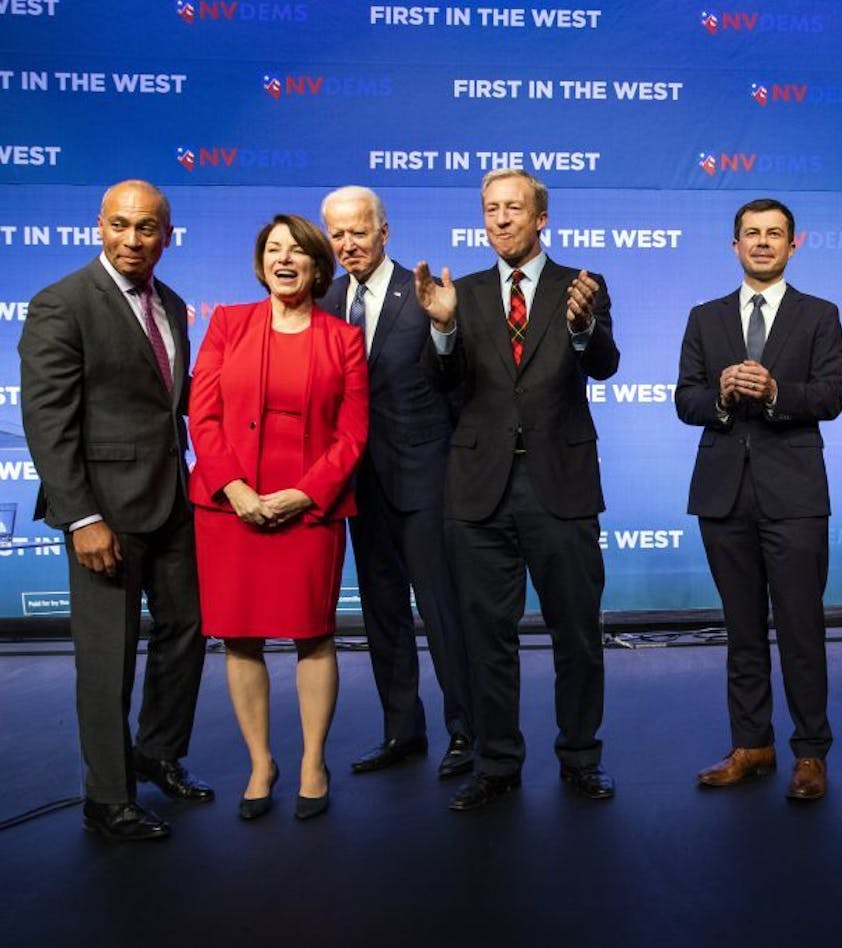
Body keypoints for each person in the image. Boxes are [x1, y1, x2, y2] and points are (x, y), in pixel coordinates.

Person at [414, 169, 619, 809]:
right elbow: (442, 382)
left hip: (560, 483)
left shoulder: (580, 287)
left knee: (577, 632)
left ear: (540, 218)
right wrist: (443, 330)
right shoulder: (462, 294)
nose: (501, 219)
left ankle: (581, 758)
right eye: (490, 210)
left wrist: (583, 329)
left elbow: (605, 364)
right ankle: (496, 761)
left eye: (514, 209)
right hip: (479, 490)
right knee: (485, 636)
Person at [19, 180, 212, 841]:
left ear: (167, 233)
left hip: (170, 500)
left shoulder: (174, 304)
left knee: (187, 632)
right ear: (99, 226)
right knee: (109, 657)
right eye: (122, 225)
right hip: (103, 511)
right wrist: (80, 518)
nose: (134, 239)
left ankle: (157, 754)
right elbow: (48, 421)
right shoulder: (62, 304)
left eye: (148, 227)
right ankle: (108, 797)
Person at [188, 214, 368, 820]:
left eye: (296, 251)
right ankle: (261, 761)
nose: (283, 259)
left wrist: (306, 494)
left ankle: (313, 761)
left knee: (312, 635)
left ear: (319, 267)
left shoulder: (343, 338)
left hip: (308, 513)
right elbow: (202, 415)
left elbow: (352, 433)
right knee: (240, 637)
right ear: (260, 261)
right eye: (273, 249)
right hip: (229, 509)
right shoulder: (228, 324)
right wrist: (234, 487)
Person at [675, 198, 842, 801]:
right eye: (752, 234)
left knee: (802, 629)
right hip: (723, 494)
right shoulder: (705, 317)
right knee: (742, 630)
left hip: (795, 494)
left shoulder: (820, 314)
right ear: (735, 246)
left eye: (775, 234)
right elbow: (684, 400)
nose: (763, 242)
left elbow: (829, 396)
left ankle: (810, 753)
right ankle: (752, 744)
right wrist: (721, 394)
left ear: (794, 245)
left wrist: (776, 392)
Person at [318, 186, 474, 780]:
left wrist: (446, 327)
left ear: (385, 231)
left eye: (359, 231)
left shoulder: (425, 292)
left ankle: (467, 730)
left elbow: (457, 383)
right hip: (357, 484)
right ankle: (401, 729)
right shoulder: (325, 298)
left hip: (425, 477)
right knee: (383, 612)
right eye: (337, 235)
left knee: (442, 611)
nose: (348, 244)